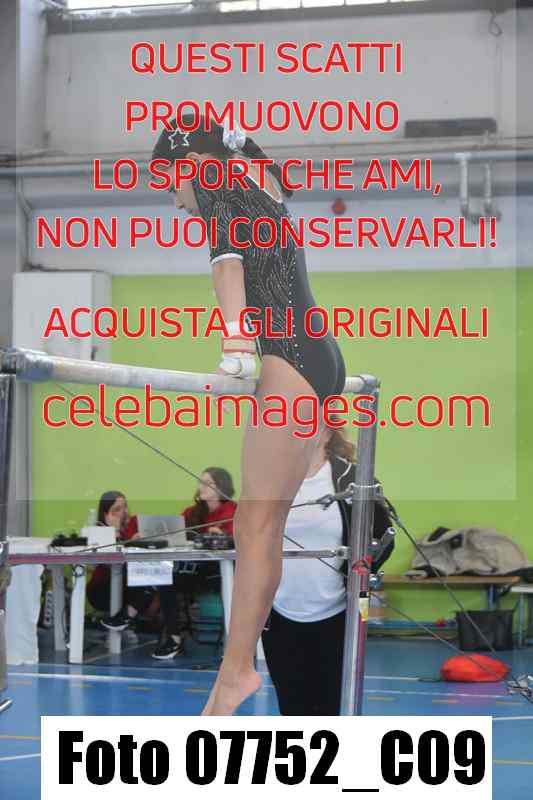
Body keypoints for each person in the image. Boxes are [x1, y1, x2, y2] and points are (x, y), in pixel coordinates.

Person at [152, 116, 346, 715]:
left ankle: (236, 671)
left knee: (256, 528)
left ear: (191, 164)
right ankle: (234, 671)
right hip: (316, 356)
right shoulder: (256, 185)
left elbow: (227, 266)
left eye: (171, 183)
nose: (175, 200)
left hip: (288, 359)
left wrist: (236, 344)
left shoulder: (216, 183)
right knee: (262, 526)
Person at [261, 418, 394, 715]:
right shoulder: (270, 478)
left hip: (337, 613)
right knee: (292, 708)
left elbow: (384, 538)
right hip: (279, 612)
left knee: (331, 707)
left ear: (327, 432)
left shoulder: (353, 478)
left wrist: (358, 576)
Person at [152, 467, 237, 660]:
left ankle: (234, 644)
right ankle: (174, 638)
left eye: (207, 483)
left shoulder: (234, 511)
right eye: (200, 482)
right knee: (165, 578)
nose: (201, 486)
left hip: (221, 572)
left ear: (221, 487)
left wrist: (223, 536)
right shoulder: (192, 513)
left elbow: (241, 539)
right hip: (194, 569)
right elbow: (175, 534)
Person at [92, 491, 158, 632]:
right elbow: (107, 561)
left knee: (154, 576)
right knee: (144, 581)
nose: (124, 512)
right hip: (102, 587)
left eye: (125, 506)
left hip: (130, 583)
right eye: (117, 509)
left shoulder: (134, 522)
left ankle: (125, 617)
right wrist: (114, 531)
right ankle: (125, 618)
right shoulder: (99, 529)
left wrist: (139, 541)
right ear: (106, 513)